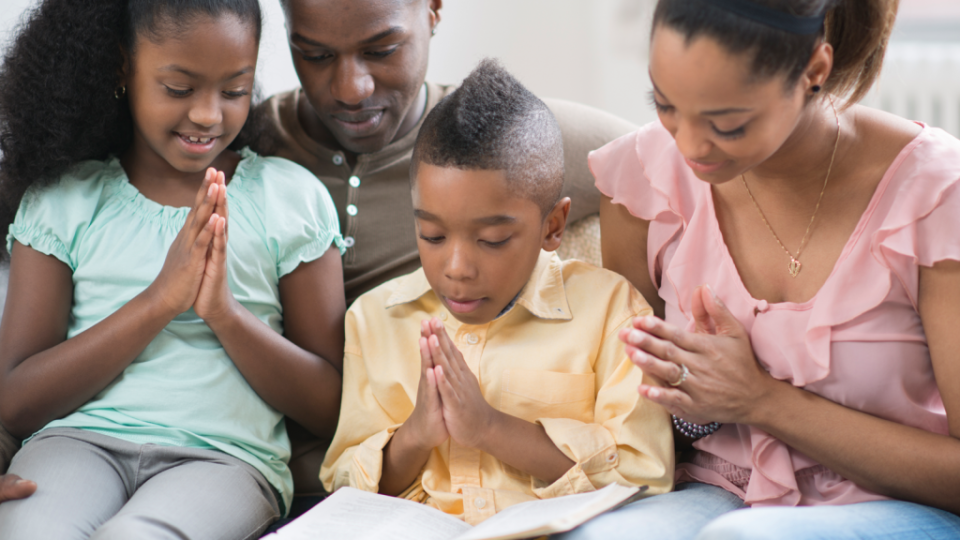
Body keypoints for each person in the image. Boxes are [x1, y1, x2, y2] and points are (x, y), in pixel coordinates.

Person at [557, 0, 960, 538]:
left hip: (900, 504)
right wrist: (688, 395)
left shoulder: (935, 197)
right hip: (714, 488)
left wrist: (761, 400)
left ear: (814, 70)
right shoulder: (643, 179)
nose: (688, 146)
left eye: (727, 123)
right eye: (665, 104)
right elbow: (640, 424)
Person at [0, 0, 345, 537]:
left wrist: (224, 313)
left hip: (223, 459)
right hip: (77, 442)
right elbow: (17, 401)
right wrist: (161, 300)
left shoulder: (289, 198)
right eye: (179, 89)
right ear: (122, 68)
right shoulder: (64, 200)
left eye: (234, 90)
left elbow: (329, 407)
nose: (209, 114)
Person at [319, 59, 674, 523]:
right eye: (432, 236)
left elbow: (644, 473)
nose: (458, 268)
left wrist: (491, 429)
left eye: (492, 241)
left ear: (553, 226)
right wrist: (416, 435)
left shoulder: (611, 312)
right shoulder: (374, 319)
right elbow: (343, 482)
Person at [259, 0, 638, 306]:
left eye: (381, 51)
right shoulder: (245, 141)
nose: (351, 89)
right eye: (315, 55)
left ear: (433, 9)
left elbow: (671, 161)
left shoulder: (501, 140)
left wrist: (633, 304)